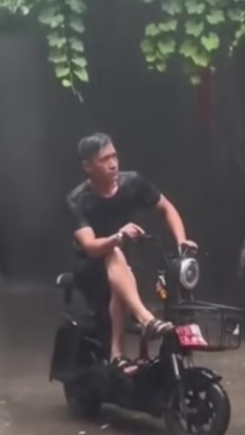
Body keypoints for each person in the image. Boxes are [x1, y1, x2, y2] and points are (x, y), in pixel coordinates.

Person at [66, 132, 198, 375]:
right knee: (114, 254)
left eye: (114, 156)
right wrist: (118, 237)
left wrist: (181, 242)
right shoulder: (78, 200)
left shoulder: (132, 183)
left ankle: (121, 356)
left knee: (127, 267)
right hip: (90, 267)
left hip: (125, 265)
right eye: (104, 159)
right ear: (87, 166)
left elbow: (167, 208)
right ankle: (144, 321)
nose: (113, 164)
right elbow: (90, 246)